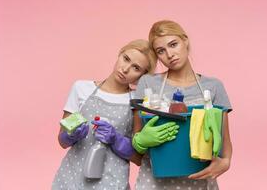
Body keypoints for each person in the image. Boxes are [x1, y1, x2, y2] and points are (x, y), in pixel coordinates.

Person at [52, 39, 179, 190]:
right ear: (119, 55)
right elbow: (62, 141)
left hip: (112, 182)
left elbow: (138, 158)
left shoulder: (136, 103)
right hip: (71, 180)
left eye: (136, 68)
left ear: (142, 76)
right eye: (126, 59)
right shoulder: (81, 88)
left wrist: (116, 140)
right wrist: (71, 135)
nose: (125, 69)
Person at [132, 20, 233, 190]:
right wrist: (140, 141)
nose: (169, 54)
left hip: (199, 182)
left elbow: (224, 143)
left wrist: (225, 162)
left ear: (185, 41)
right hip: (153, 183)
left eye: (173, 44)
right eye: (161, 51)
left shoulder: (214, 86)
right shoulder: (148, 83)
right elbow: (136, 139)